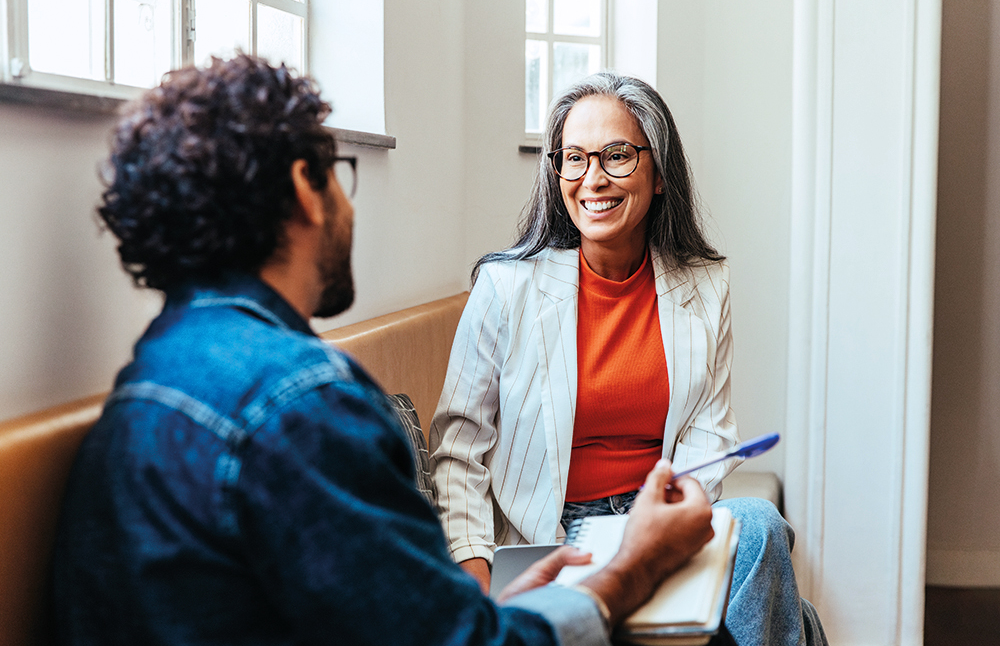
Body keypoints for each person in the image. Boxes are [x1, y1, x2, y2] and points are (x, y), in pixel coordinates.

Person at [49, 54, 740, 646]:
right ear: (303, 189)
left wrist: (506, 593)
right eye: (338, 172)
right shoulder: (303, 405)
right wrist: (633, 564)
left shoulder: (149, 377)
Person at [429, 71, 828, 646]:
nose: (593, 179)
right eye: (574, 158)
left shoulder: (705, 286)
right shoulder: (504, 288)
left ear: (659, 172)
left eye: (616, 156)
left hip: (657, 518)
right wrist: (475, 580)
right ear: (557, 172)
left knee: (762, 527)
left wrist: (654, 529)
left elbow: (708, 435)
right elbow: (458, 449)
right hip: (553, 539)